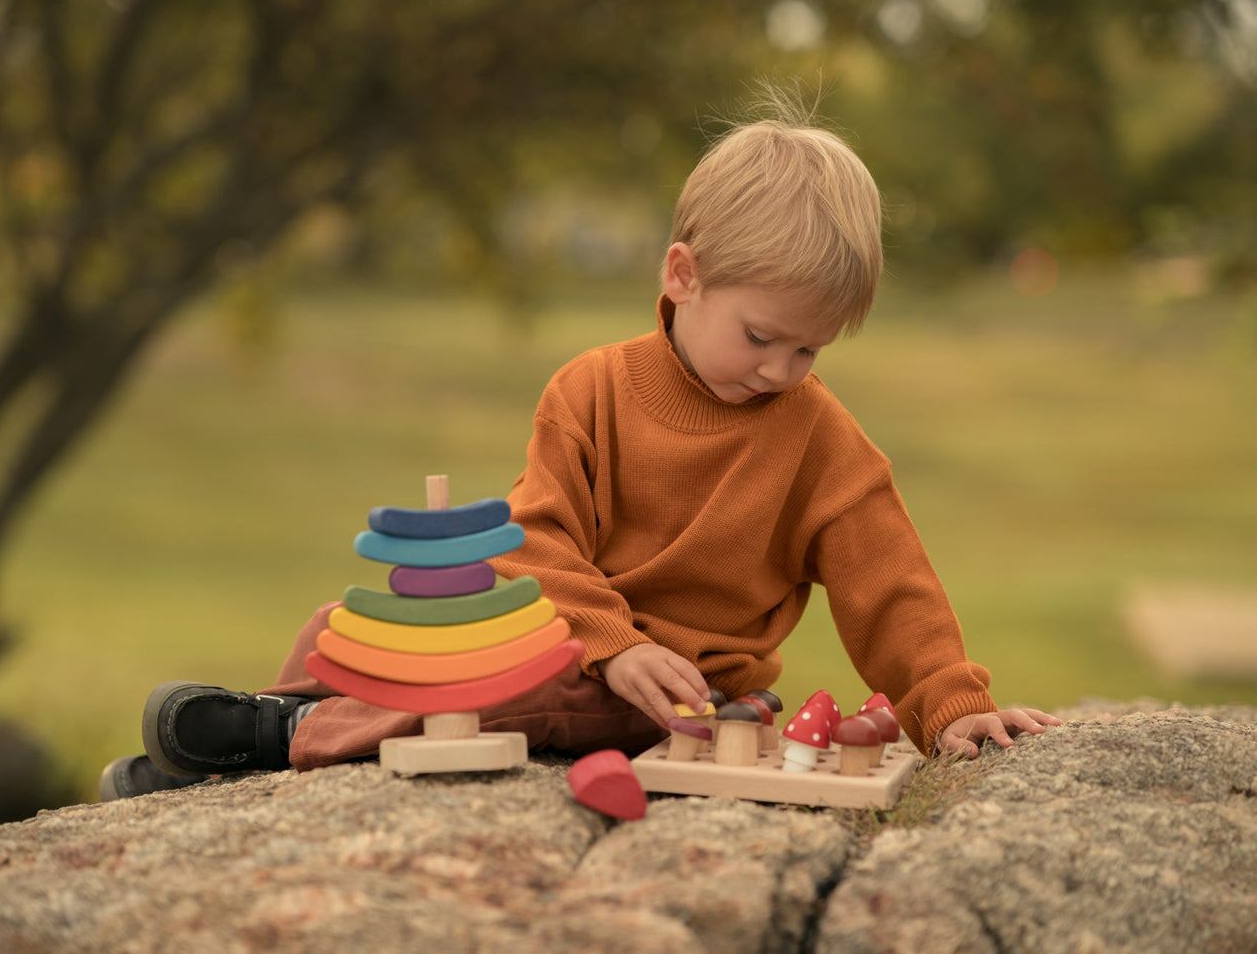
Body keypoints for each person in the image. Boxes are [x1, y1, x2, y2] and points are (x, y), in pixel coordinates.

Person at [100, 98, 1060, 801]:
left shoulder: (816, 438)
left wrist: (946, 699)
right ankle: (245, 750)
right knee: (359, 624)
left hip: (683, 694)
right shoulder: (591, 390)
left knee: (504, 695)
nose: (779, 370)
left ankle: (285, 733)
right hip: (572, 637)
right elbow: (537, 538)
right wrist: (613, 642)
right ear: (683, 276)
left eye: (807, 348)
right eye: (761, 336)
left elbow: (886, 577)